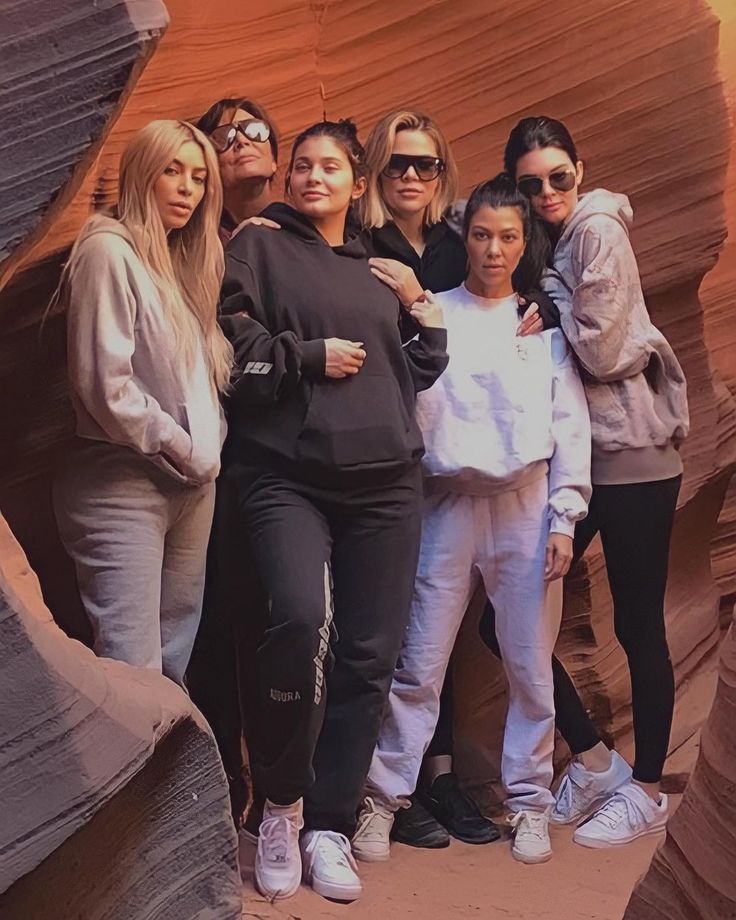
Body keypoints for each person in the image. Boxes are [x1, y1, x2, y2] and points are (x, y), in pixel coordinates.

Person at [219, 119, 448, 902]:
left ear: (358, 182)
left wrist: (425, 308)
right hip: (287, 475)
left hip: (387, 485)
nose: (314, 177)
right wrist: (306, 359)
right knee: (296, 619)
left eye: (330, 167)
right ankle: (278, 805)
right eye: (302, 166)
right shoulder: (256, 246)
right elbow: (230, 347)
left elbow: (410, 371)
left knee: (370, 655)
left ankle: (328, 823)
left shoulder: (378, 265)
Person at [352, 172, 591, 865]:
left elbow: (570, 426)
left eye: (508, 237)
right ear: (466, 235)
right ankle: (382, 800)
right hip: (444, 506)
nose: (493, 249)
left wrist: (564, 520)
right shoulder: (434, 313)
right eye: (482, 234)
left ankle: (529, 804)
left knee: (529, 665)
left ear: (525, 243)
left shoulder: (538, 327)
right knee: (418, 664)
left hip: (525, 508)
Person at [480, 116, 689, 848]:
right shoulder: (548, 240)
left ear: (580, 169)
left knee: (636, 624)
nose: (546, 194)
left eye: (558, 177)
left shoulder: (597, 230)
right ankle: (596, 761)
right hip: (576, 467)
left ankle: (649, 788)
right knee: (500, 619)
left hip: (633, 459)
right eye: (530, 183)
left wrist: (552, 305)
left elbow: (600, 351)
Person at [52, 119, 231, 686]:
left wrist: (208, 449)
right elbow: (104, 385)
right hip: (121, 480)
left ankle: (169, 781)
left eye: (199, 176)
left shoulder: (183, 264)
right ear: (142, 174)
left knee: (172, 668)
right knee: (133, 672)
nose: (187, 188)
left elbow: (197, 381)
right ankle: (128, 780)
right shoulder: (108, 250)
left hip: (192, 486)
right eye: (172, 171)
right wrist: (183, 446)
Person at [187, 95, 280, 827]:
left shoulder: (308, 234)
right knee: (217, 626)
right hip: (218, 457)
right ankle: (223, 784)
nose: (243, 141)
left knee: (287, 623)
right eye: (228, 134)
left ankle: (286, 788)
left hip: (296, 462)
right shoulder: (194, 241)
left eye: (256, 131)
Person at [195, 96, 279, 243]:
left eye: (255, 130)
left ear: (273, 159)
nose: (242, 140)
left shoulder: (302, 228)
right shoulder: (203, 248)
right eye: (224, 136)